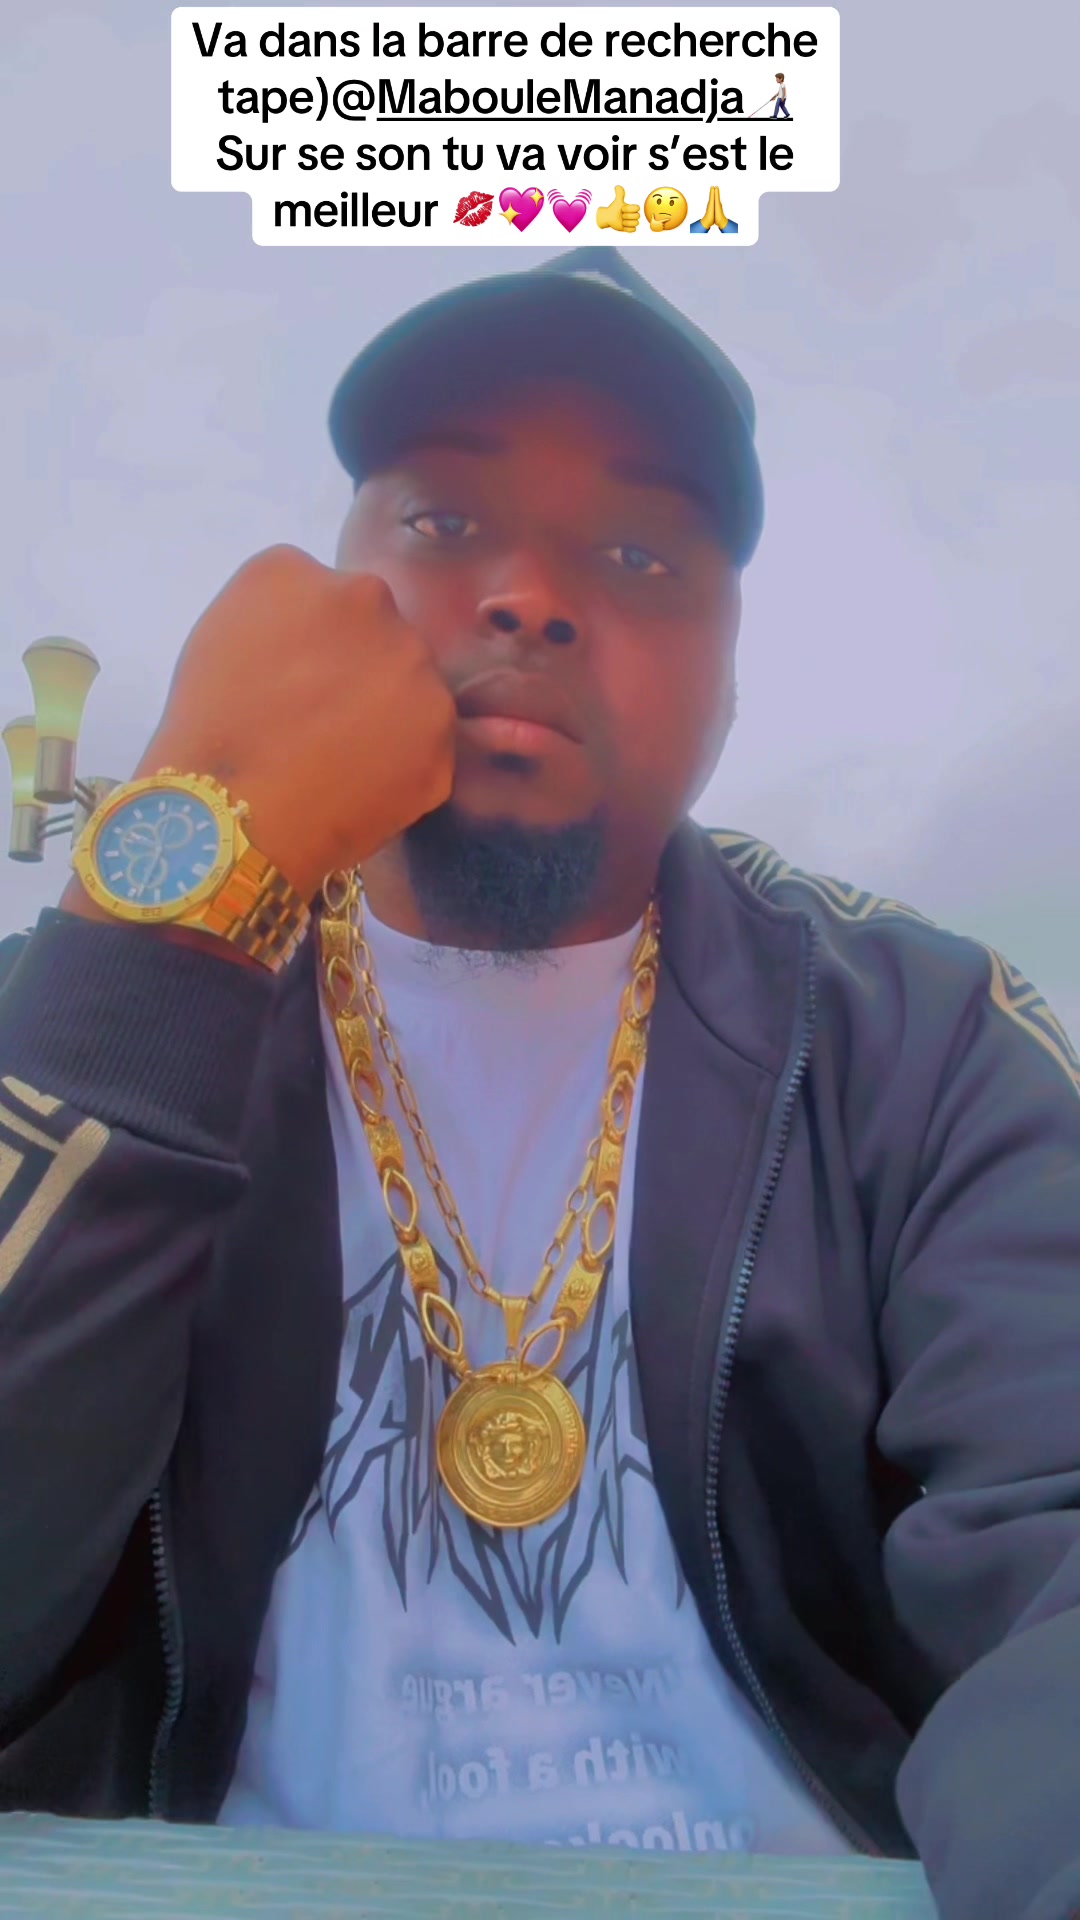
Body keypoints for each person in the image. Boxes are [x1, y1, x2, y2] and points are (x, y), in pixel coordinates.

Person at [0, 247, 1077, 1920]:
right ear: (335, 585)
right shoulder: (95, 997)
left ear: (728, 682)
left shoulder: (920, 1040)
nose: (527, 595)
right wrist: (179, 889)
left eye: (639, 555)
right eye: (443, 523)